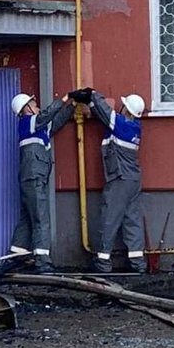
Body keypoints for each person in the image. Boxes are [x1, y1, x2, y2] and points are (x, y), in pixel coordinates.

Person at [70, 88, 147, 274]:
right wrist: (91, 103)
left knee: (109, 218)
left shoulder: (122, 124)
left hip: (119, 179)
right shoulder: (134, 127)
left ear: (127, 110)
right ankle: (138, 263)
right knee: (131, 220)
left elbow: (106, 113)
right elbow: (105, 116)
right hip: (132, 180)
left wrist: (92, 95)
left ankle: (103, 261)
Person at [10, 92, 75, 273]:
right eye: (33, 103)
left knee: (27, 217)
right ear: (26, 109)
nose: (36, 104)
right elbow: (46, 115)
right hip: (34, 178)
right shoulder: (27, 122)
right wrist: (65, 98)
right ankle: (42, 260)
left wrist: (73, 105)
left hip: (32, 179)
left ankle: (17, 254)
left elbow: (56, 121)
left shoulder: (37, 126)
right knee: (41, 218)